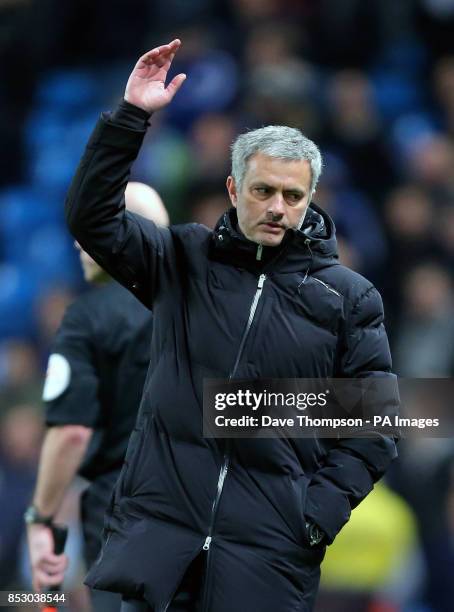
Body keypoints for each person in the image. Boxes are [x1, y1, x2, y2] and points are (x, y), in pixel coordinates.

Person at [65, 39, 398, 612]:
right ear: (233, 189)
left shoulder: (348, 298)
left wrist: (311, 519)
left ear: (310, 200)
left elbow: (376, 426)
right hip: (160, 548)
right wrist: (132, 116)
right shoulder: (181, 260)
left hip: (266, 562)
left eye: (293, 196)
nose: (276, 207)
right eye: (262, 190)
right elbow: (91, 218)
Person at [26, 182, 169, 611]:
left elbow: (71, 433)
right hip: (208, 510)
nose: (77, 241)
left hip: (123, 512)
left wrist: (41, 518)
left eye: (94, 225)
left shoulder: (89, 316)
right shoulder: (210, 307)